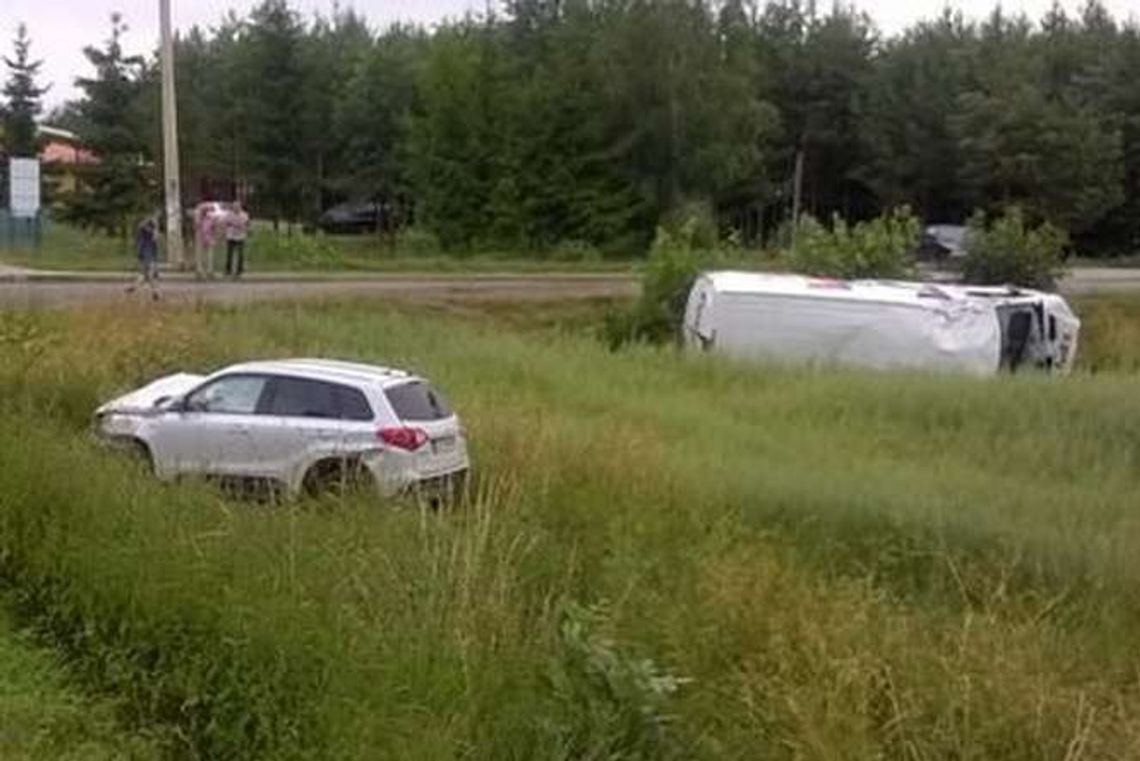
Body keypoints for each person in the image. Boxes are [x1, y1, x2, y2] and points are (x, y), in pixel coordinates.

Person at [126, 216, 161, 300]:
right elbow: (154, 236)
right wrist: (156, 225)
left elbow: (155, 236)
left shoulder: (144, 231)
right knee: (150, 275)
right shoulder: (146, 232)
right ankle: (154, 292)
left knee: (145, 275)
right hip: (148, 256)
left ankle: (134, 287)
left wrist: (155, 225)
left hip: (146, 255)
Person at [224, 201, 250, 279]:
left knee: (240, 254)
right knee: (230, 254)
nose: (236, 208)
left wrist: (244, 228)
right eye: (234, 207)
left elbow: (247, 224)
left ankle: (239, 270)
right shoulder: (229, 214)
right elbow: (226, 223)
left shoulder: (244, 215)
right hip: (231, 236)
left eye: (237, 207)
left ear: (240, 207)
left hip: (240, 237)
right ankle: (228, 270)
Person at [194, 202, 219, 279]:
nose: (206, 211)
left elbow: (214, 227)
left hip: (209, 237)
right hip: (200, 237)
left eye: (207, 210)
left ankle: (210, 271)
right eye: (204, 210)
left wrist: (215, 236)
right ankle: (200, 271)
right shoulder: (198, 218)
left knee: (210, 255)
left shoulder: (211, 218)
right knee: (200, 255)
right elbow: (196, 227)